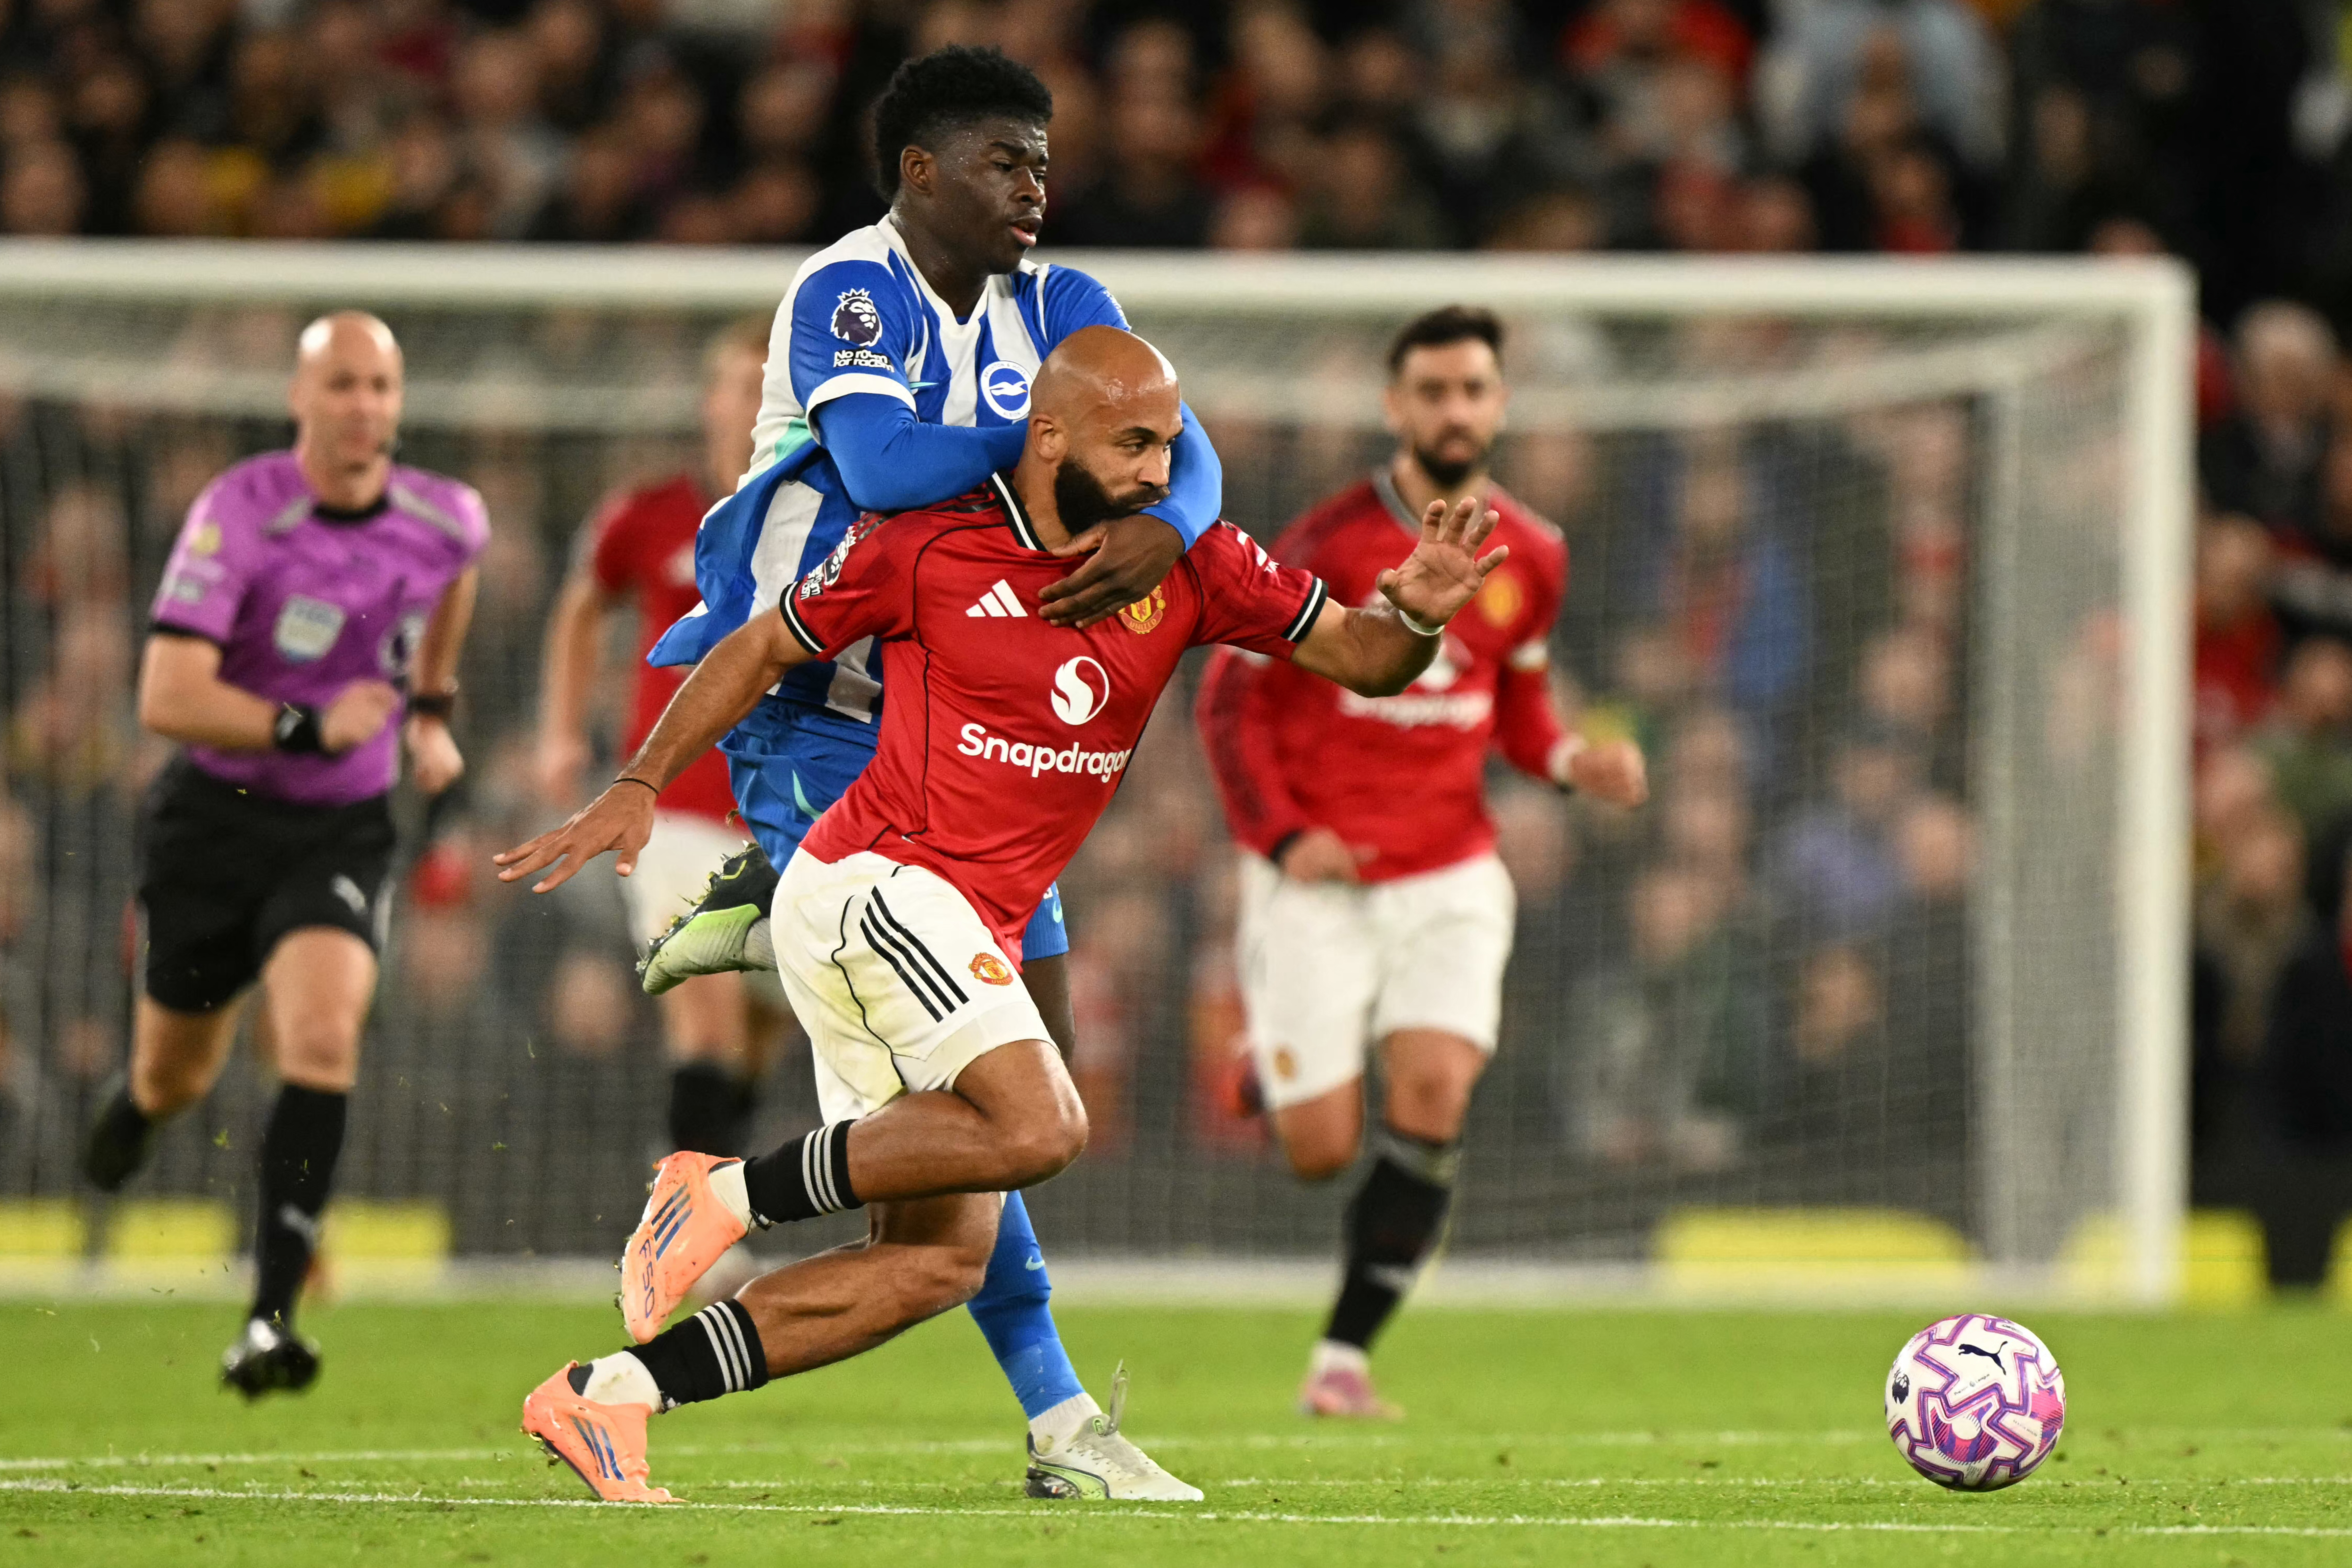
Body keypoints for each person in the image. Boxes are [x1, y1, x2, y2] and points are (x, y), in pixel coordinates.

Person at [492, 326, 1500, 1505]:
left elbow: (1365, 654)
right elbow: (764, 641)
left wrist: (1418, 613)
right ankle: (720, 1193)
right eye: (1135, 442)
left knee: (933, 1261)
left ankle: (610, 1392)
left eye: (1171, 444)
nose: (1158, 469)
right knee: (1047, 1121)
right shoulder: (928, 548)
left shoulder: (1192, 561)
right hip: (874, 879)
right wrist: (640, 781)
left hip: (949, 915)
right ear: (1052, 433)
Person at [589, 46, 1228, 1499]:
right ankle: (1059, 1420)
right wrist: (1076, 448)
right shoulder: (848, 290)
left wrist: (1170, 518)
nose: (1037, 185)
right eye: (1008, 159)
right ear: (922, 170)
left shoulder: (1066, 302)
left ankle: (777, 927)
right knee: (982, 1111)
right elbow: (880, 471)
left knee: (1026, 1088)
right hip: (818, 704)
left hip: (961, 729)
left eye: (1046, 160)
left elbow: (1175, 444)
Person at [1195, 306, 1647, 1418]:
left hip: (1450, 868)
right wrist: (1285, 835)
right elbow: (1227, 700)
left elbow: (1518, 711)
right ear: (1395, 406)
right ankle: (1278, 1062)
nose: (1455, 409)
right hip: (1324, 875)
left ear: (1501, 404)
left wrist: (1572, 761)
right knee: (1319, 1147)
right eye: (1432, 391)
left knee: (1436, 1089)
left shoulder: (1534, 553)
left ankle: (1343, 1359)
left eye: (1474, 389)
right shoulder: (1328, 541)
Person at [79, 312, 485, 1396]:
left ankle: (269, 1317)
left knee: (319, 1035)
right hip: (215, 822)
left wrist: (431, 711)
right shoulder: (242, 514)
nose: (366, 408)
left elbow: (454, 591)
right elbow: (164, 695)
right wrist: (306, 725)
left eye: (383, 387)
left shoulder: (447, 519)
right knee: (181, 1072)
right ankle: (139, 1103)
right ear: (300, 400)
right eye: (344, 386)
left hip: (341, 828)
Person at [534, 318, 788, 1189]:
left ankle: (704, 1190)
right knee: (707, 1006)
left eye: (772, 386)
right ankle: (696, 1226)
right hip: (672, 813)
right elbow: (581, 603)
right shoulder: (654, 514)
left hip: (785, 821)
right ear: (709, 401)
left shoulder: (821, 517)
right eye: (739, 384)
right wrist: (563, 731)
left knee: (759, 1034)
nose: (755, 403)